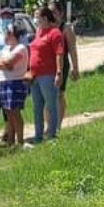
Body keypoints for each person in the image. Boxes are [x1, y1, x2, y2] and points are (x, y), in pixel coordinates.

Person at [28, 8, 65, 143]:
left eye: (37, 16)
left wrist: (59, 73)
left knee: (50, 105)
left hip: (48, 75)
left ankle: (51, 134)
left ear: (45, 18)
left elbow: (59, 54)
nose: (35, 19)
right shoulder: (38, 33)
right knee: (37, 107)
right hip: (34, 76)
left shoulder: (55, 33)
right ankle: (38, 135)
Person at [0, 24, 30, 146]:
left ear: (12, 34)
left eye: (7, 32)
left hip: (16, 82)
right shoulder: (5, 48)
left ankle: (20, 141)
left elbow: (10, 64)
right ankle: (10, 141)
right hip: (3, 82)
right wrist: (3, 64)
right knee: (8, 114)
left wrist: (3, 64)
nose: (5, 35)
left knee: (15, 112)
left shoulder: (21, 48)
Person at [49, 1, 80, 129]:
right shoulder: (46, 27)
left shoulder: (66, 28)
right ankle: (49, 125)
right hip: (48, 64)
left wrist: (75, 68)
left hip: (62, 64)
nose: (52, 15)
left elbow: (72, 49)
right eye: (50, 13)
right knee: (48, 95)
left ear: (61, 13)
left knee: (59, 94)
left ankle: (58, 125)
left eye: (54, 12)